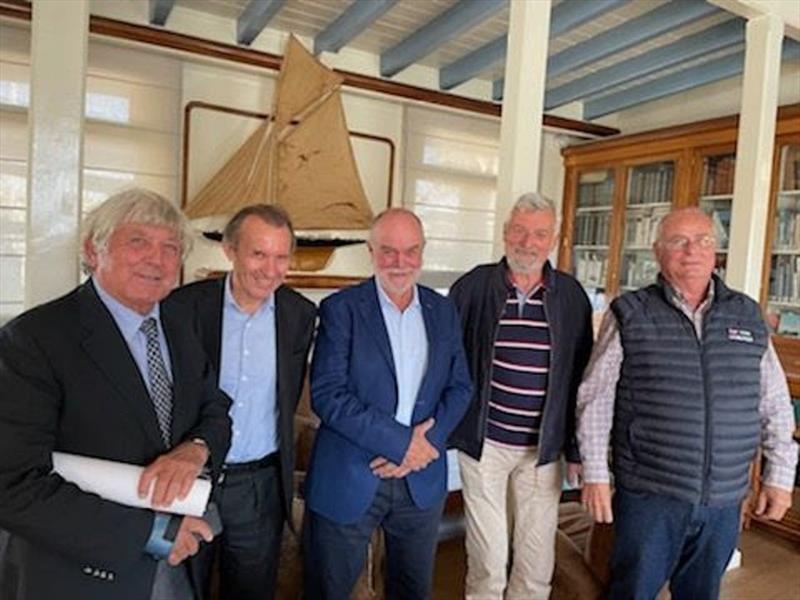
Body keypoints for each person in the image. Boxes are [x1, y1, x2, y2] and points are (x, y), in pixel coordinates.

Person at [0, 188, 232, 600]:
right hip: (81, 572)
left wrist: (195, 449)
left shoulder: (180, 326)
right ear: (94, 250)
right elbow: (13, 484)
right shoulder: (33, 340)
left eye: (170, 248)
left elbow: (215, 409)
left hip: (177, 562)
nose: (156, 259)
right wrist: (153, 533)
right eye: (138, 241)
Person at [577, 206, 798, 599]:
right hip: (650, 495)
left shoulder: (746, 314)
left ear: (716, 252)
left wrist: (780, 476)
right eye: (679, 241)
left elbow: (775, 402)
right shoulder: (630, 312)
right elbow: (596, 397)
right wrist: (595, 473)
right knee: (631, 592)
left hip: (725, 498)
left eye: (703, 241)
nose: (691, 251)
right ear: (658, 252)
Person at [302, 208, 472, 599]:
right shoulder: (340, 309)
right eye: (389, 251)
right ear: (371, 251)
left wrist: (422, 448)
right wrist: (401, 444)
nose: (400, 262)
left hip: (421, 480)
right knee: (328, 591)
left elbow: (461, 387)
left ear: (423, 253)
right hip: (349, 476)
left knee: (413, 591)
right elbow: (327, 395)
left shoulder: (442, 310)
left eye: (411, 251)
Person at [448, 193, 594, 599]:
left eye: (539, 234)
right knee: (489, 558)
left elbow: (582, 380)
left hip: (542, 452)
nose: (527, 243)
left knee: (535, 562)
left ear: (554, 240)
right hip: (484, 445)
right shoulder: (474, 286)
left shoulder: (571, 296)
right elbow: (446, 360)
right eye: (519, 231)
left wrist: (577, 451)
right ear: (504, 233)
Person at [167, 204, 316, 600]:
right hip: (191, 479)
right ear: (230, 250)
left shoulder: (300, 315)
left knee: (251, 591)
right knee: (183, 588)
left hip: (260, 486)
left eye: (281, 256)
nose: (271, 269)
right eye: (259, 253)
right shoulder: (183, 307)